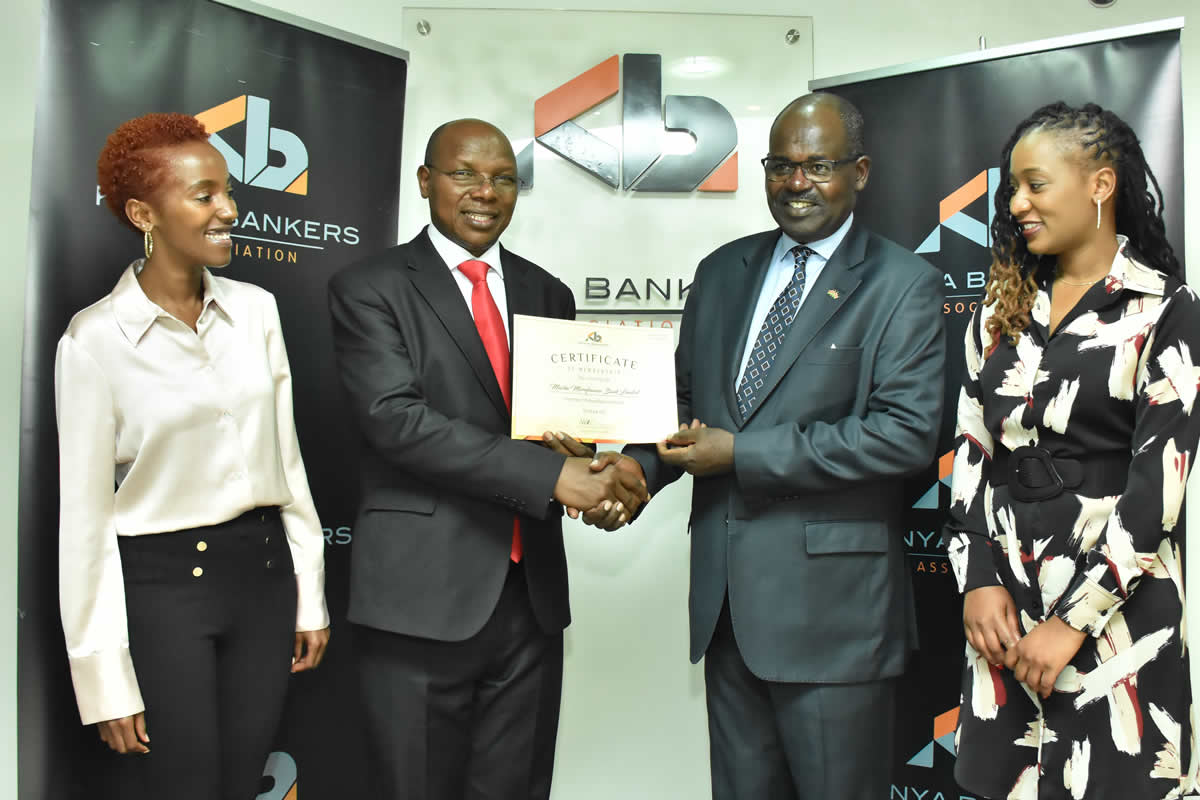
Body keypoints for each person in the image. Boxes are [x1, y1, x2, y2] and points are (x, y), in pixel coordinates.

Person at [586, 92, 946, 799]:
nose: (796, 182)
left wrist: (742, 456)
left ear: (860, 172)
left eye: (818, 165)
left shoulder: (903, 284)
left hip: (833, 624)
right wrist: (633, 469)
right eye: (781, 165)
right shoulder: (723, 270)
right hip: (727, 614)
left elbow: (903, 435)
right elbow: (682, 405)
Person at [327, 118, 649, 800]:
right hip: (419, 600)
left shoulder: (547, 293)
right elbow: (397, 422)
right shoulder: (369, 286)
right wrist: (552, 475)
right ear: (425, 182)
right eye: (465, 174)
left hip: (529, 602)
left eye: (504, 178)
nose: (486, 192)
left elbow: (561, 427)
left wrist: (593, 464)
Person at [57, 112, 330, 799]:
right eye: (204, 195)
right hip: (164, 594)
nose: (228, 210)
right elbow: (85, 524)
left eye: (227, 192)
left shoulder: (258, 310)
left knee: (242, 785)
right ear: (143, 214)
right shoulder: (93, 341)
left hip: (264, 582)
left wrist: (310, 595)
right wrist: (103, 678)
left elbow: (288, 463)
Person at [944, 101, 1198, 799]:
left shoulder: (1165, 309)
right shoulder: (999, 311)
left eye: (1035, 185)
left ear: (1100, 185)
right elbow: (970, 450)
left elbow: (1158, 492)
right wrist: (977, 579)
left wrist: (1070, 624)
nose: (1017, 205)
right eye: (1012, 190)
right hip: (1003, 608)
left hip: (1118, 614)